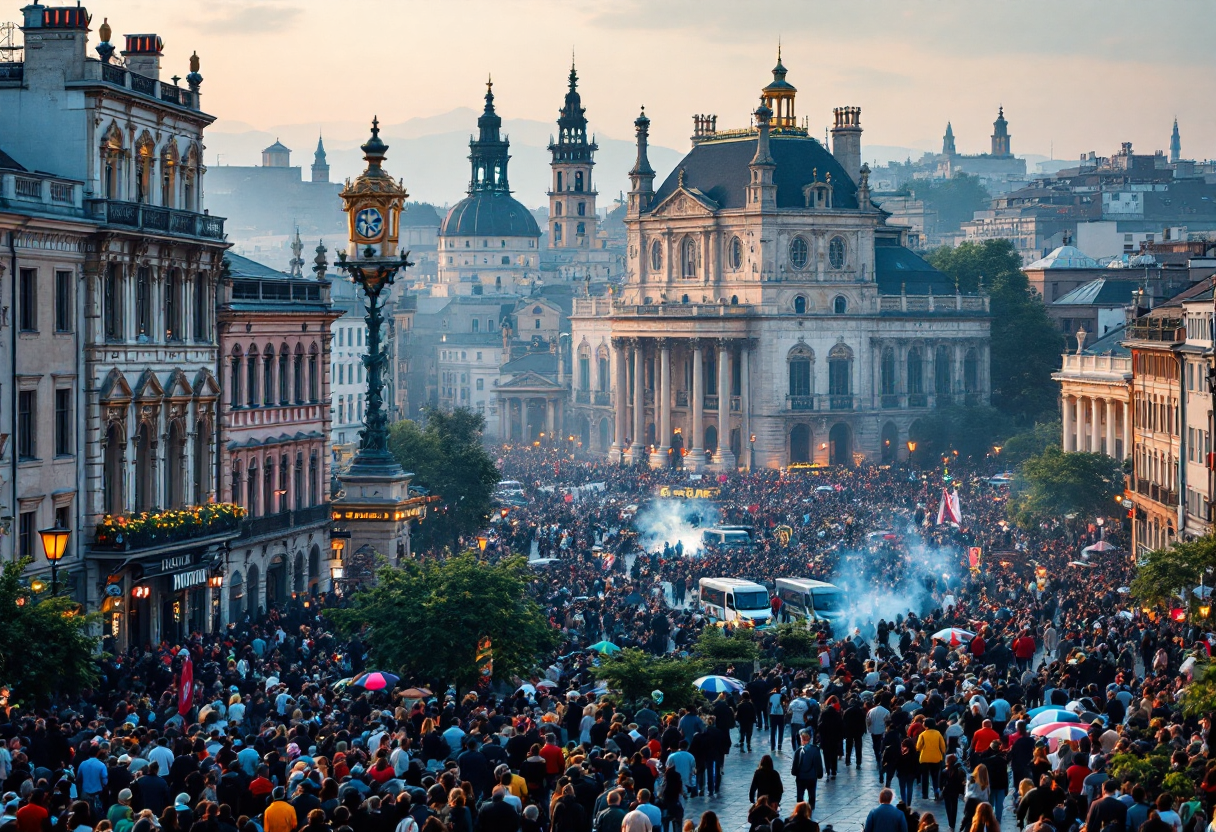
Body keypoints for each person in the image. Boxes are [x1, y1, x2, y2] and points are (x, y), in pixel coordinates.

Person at [791, 731, 824, 814]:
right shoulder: (815, 750)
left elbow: (794, 767)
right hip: (812, 777)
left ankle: (800, 812)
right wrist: (819, 774)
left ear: (801, 739)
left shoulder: (798, 751)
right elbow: (818, 764)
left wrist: (795, 773)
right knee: (812, 796)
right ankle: (810, 811)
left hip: (801, 777)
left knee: (800, 796)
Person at [916, 719, 947, 801]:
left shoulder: (922, 734)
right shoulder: (938, 734)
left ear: (926, 725)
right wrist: (943, 754)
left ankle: (925, 794)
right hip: (936, 758)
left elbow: (918, 747)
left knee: (924, 776)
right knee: (935, 777)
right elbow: (943, 747)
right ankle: (936, 791)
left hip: (924, 758)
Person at [941, 755, 967, 832]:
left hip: (947, 792)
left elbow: (941, 783)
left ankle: (950, 825)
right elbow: (962, 782)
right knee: (954, 808)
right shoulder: (959, 771)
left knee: (948, 809)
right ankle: (952, 824)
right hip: (955, 792)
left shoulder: (944, 771)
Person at [961, 766, 991, 832]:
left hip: (971, 804)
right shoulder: (985, 781)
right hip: (981, 807)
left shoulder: (971, 779)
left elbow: (967, 792)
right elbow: (987, 795)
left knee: (969, 824)